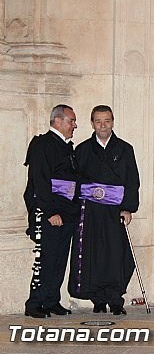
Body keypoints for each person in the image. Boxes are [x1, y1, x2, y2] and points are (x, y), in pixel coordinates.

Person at [68, 105, 140, 315]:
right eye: (98, 121)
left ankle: (115, 298)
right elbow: (75, 181)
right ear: (92, 123)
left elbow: (132, 180)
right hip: (91, 211)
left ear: (113, 122)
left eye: (106, 121)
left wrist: (128, 208)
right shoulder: (82, 150)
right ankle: (98, 298)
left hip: (115, 211)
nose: (102, 125)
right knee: (94, 254)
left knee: (116, 254)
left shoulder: (125, 149)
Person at [23, 104, 79, 318]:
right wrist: (49, 212)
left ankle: (51, 300)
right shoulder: (42, 145)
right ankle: (34, 303)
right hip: (51, 214)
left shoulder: (67, 146)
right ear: (58, 121)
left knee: (59, 260)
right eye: (71, 121)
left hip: (66, 214)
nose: (74, 125)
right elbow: (40, 182)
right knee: (46, 259)